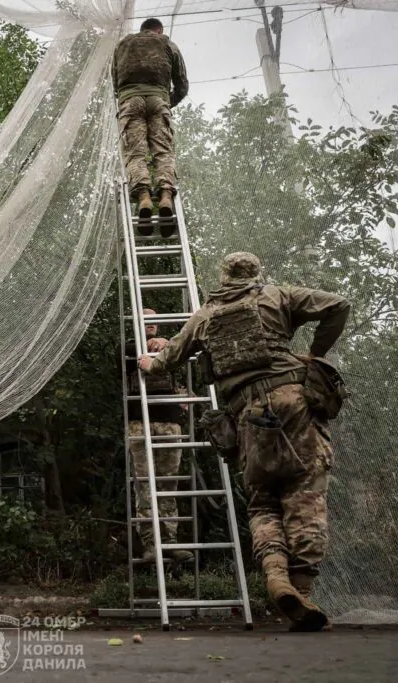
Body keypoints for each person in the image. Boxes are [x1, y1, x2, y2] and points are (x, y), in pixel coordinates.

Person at [137, 253, 350, 632]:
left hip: (246, 412)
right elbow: (338, 305)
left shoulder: (206, 314)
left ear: (223, 276)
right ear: (256, 273)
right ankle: (301, 590)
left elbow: (167, 359)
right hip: (292, 402)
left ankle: (275, 576)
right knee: (305, 491)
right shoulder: (277, 296)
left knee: (263, 498)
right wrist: (315, 353)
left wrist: (147, 363)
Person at [124, 309, 192, 565]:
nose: (150, 324)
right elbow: (131, 357)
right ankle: (151, 544)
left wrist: (168, 344)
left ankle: (170, 542)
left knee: (168, 484)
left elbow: (185, 358)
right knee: (144, 484)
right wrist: (155, 348)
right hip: (140, 424)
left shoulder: (172, 348)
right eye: (144, 319)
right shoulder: (128, 348)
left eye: (153, 320)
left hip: (169, 424)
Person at [111, 17, 189, 235]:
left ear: (142, 29)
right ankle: (165, 197)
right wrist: (166, 102)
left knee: (135, 154)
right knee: (163, 151)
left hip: (129, 101)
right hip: (158, 100)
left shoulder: (123, 44)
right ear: (159, 30)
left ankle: (144, 198)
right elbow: (182, 84)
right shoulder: (167, 43)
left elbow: (114, 80)